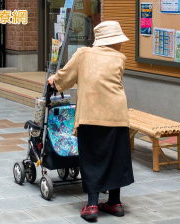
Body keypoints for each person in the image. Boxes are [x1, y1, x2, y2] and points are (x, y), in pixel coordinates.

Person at [47, 21, 134, 221]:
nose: (121, 44)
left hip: (91, 115)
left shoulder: (83, 54)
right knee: (115, 157)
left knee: (93, 157)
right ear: (113, 42)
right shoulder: (121, 58)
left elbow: (65, 78)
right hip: (117, 116)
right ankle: (115, 202)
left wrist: (54, 81)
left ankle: (92, 205)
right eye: (119, 40)